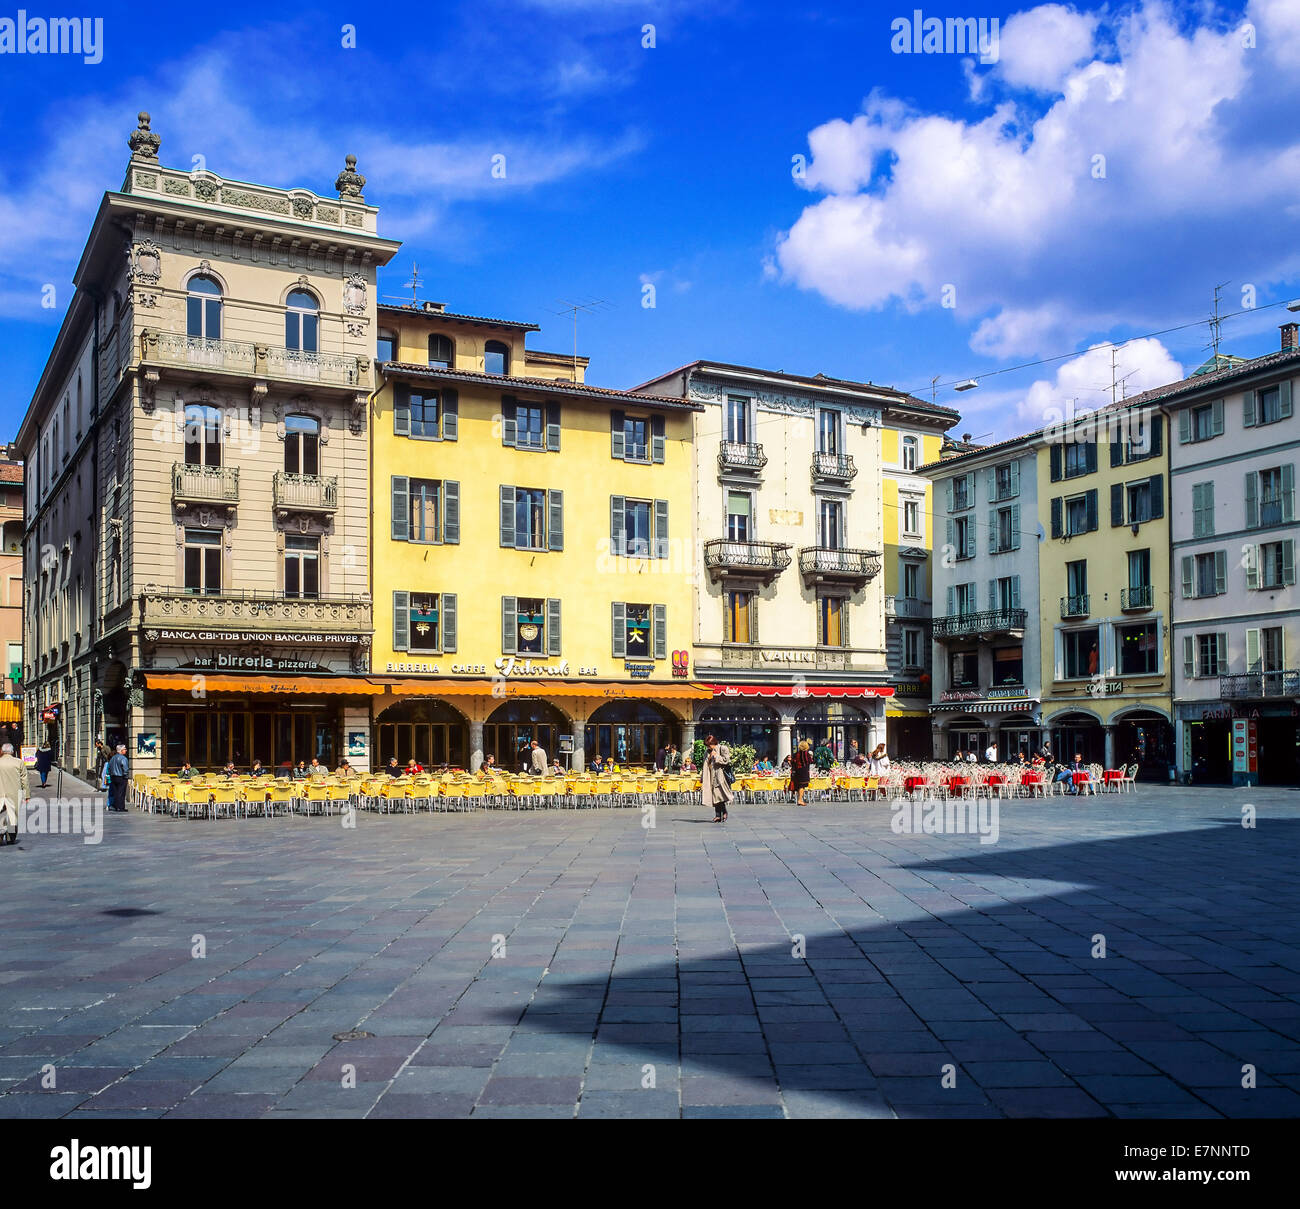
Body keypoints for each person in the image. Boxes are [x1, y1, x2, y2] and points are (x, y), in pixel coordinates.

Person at [0, 742, 28, 845]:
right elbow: (24, 780)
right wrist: (26, 795)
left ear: (2, 751)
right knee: (13, 815)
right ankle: (10, 838)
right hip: (14, 794)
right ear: (12, 751)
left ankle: (0, 834)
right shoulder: (19, 762)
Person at [702, 734, 734, 822]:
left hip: (720, 776)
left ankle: (722, 813)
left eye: (709, 745)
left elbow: (727, 760)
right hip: (710, 776)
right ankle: (719, 814)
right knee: (714, 796)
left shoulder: (722, 748)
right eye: (707, 745)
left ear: (714, 743)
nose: (708, 747)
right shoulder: (707, 751)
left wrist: (716, 756)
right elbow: (705, 764)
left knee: (719, 795)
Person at [105, 743, 130, 813]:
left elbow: (109, 768)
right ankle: (120, 807)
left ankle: (116, 806)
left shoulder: (113, 758)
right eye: (125, 749)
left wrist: (111, 774)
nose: (126, 750)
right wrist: (126, 776)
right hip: (121, 777)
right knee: (121, 792)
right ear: (121, 750)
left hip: (113, 777)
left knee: (116, 792)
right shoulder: (123, 758)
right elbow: (125, 768)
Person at [789, 738, 813, 807]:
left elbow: (792, 762)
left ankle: (799, 799)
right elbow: (809, 761)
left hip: (797, 771)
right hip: (804, 771)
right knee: (802, 786)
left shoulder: (796, 754)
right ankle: (800, 800)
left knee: (799, 786)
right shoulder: (806, 754)